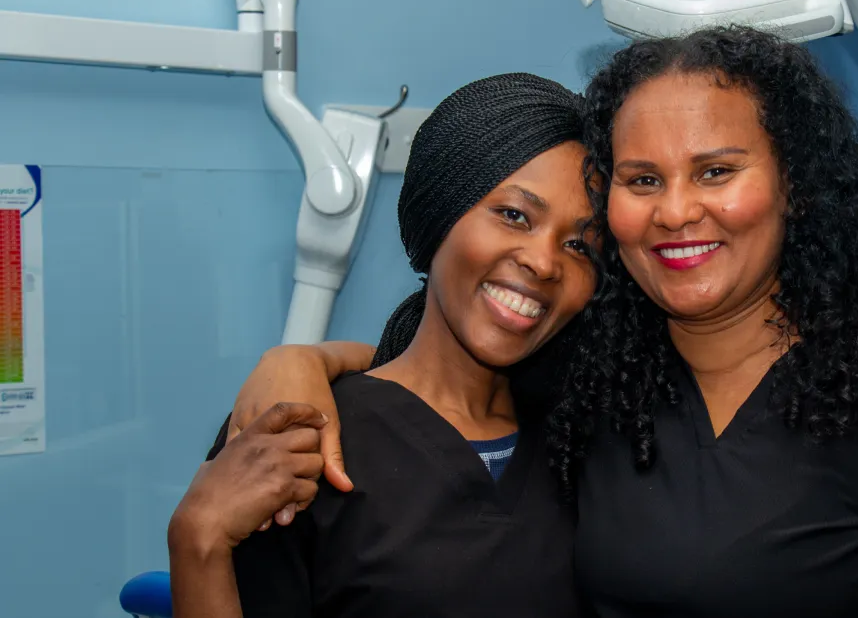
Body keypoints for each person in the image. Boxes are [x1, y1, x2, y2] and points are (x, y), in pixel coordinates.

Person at [224, 26, 858, 618]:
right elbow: (434, 381)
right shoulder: (591, 389)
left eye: (715, 170)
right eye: (640, 179)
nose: (677, 212)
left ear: (796, 186)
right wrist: (299, 362)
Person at [166, 73, 597, 618]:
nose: (544, 261)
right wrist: (197, 539)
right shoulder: (304, 444)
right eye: (514, 215)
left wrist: (309, 354)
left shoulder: (584, 438)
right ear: (441, 209)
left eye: (580, 244)